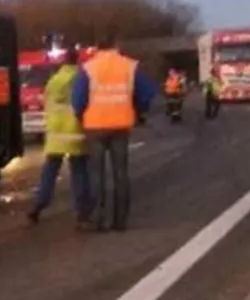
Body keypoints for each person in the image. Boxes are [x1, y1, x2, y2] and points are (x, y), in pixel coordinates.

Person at [72, 35, 157, 232]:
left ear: (97, 47)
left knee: (97, 174)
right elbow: (147, 93)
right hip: (121, 125)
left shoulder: (89, 67)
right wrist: (137, 110)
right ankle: (120, 220)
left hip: (95, 126)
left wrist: (81, 116)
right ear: (116, 46)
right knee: (121, 173)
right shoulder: (129, 66)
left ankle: (99, 219)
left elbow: (77, 100)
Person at [26, 47, 92, 229]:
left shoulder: (54, 81)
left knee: (49, 172)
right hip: (76, 132)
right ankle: (82, 213)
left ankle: (38, 205)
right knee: (79, 173)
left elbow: (47, 102)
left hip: (56, 133)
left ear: (63, 61)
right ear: (77, 60)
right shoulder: (83, 79)